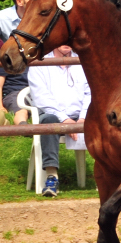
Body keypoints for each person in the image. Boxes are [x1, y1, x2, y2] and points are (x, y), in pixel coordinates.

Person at [28, 45, 91, 197]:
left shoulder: (84, 61)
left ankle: (110, 174)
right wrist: (65, 119)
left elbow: (91, 92)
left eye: (68, 40)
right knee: (49, 121)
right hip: (53, 115)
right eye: (61, 40)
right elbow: (41, 98)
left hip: (82, 115)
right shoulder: (39, 63)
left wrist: (83, 117)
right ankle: (51, 177)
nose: (65, 43)